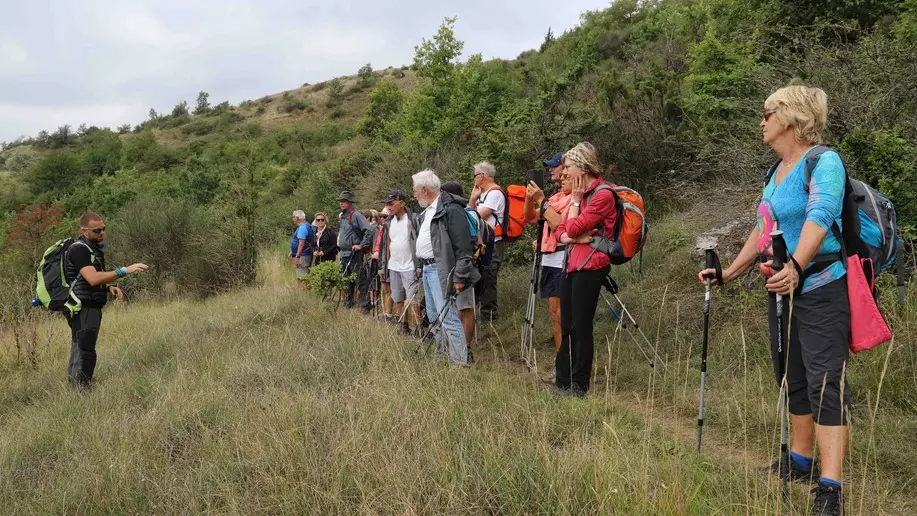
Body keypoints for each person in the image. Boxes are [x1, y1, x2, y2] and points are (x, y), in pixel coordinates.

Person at [697, 85, 849, 516]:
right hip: (780, 289)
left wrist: (797, 267)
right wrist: (728, 272)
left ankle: (830, 487)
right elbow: (763, 229)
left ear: (791, 116)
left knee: (824, 383)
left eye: (768, 112)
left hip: (820, 287)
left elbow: (821, 216)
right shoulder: (775, 172)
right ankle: (800, 462)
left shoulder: (824, 161)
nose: (761, 121)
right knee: (791, 377)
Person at [554, 142, 618, 397]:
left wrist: (576, 205)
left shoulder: (602, 195)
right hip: (572, 265)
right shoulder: (578, 195)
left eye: (568, 167)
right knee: (567, 323)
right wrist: (574, 236)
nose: (564, 172)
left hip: (590, 266)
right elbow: (561, 233)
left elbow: (569, 229)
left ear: (582, 167)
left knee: (581, 326)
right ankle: (563, 381)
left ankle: (579, 386)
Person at [64, 212, 149, 389]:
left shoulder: (91, 249)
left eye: (103, 228)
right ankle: (82, 390)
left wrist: (108, 287)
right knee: (86, 349)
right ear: (85, 231)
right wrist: (125, 270)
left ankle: (76, 387)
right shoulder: (79, 249)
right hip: (83, 307)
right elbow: (93, 278)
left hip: (89, 304)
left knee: (80, 347)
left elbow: (87, 280)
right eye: (97, 230)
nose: (102, 232)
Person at [413, 170, 480, 365]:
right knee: (434, 316)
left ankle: (460, 363)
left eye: (415, 190)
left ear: (424, 190)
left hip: (441, 270)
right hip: (428, 269)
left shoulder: (450, 209)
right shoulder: (430, 210)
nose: (414, 194)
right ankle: (442, 357)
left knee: (448, 317)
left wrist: (459, 276)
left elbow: (463, 247)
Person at [524, 152, 571, 383]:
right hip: (550, 259)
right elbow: (532, 219)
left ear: (566, 168)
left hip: (565, 259)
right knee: (555, 315)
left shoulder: (573, 197)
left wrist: (542, 200)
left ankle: (568, 366)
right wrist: (528, 198)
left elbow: (560, 225)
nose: (551, 170)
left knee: (564, 315)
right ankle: (560, 363)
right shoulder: (555, 196)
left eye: (555, 166)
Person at [377, 191, 423, 333]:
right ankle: (404, 325)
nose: (388, 207)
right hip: (394, 265)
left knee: (413, 298)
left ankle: (419, 328)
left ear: (402, 203)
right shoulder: (389, 223)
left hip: (410, 265)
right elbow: (387, 245)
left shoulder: (413, 219)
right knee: (398, 297)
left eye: (391, 203)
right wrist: (384, 265)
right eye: (387, 204)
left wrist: (419, 265)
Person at [440, 180, 479, 350]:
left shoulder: (456, 212)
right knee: (459, 309)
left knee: (465, 309)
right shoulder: (459, 211)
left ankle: (466, 348)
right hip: (458, 268)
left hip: (463, 268)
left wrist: (461, 273)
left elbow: (465, 246)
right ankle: (461, 347)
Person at [469, 161, 505, 322]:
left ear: (482, 176)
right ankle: (483, 315)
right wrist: (472, 198)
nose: (474, 179)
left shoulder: (495, 193)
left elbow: (475, 217)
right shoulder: (482, 194)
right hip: (483, 243)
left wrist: (472, 206)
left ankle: (489, 317)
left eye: (475, 175)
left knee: (489, 279)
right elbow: (471, 214)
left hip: (494, 244)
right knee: (481, 278)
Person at [337, 191, 374, 308]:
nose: (341, 204)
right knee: (347, 281)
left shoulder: (356, 215)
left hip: (354, 254)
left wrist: (361, 245)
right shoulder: (343, 217)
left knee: (359, 280)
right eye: (340, 201)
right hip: (344, 254)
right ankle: (349, 303)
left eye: (344, 201)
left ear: (349, 203)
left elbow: (369, 230)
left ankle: (363, 305)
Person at [290, 210, 314, 282]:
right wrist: (293, 251)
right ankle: (302, 292)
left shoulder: (302, 228)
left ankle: (303, 292)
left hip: (303, 256)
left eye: (293, 217)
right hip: (304, 254)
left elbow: (301, 244)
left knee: (302, 278)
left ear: (298, 218)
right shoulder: (305, 225)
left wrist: (297, 257)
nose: (293, 219)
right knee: (301, 276)